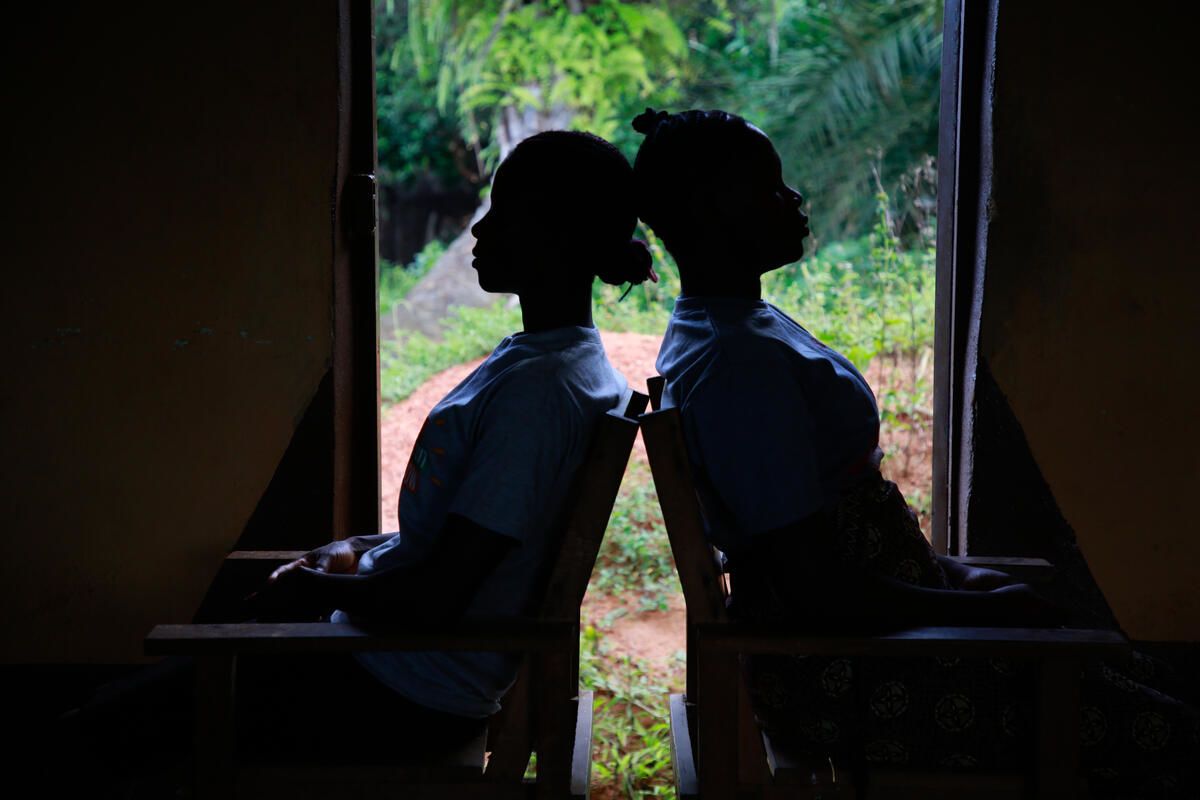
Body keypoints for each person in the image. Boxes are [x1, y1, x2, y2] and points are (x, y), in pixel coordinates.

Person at [630, 107, 1198, 795]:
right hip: (852, 675)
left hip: (875, 645)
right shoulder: (737, 363)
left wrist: (950, 576)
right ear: (711, 209)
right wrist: (980, 609)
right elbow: (819, 591)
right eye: (768, 187)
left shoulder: (733, 327)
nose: (794, 200)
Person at [216, 130, 651, 764]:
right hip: (383, 667)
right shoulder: (555, 364)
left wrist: (312, 592)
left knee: (111, 722)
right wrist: (357, 549)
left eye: (502, 214)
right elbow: (446, 556)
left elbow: (438, 596)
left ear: (554, 235)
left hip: (394, 695)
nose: (479, 232)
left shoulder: (540, 394)